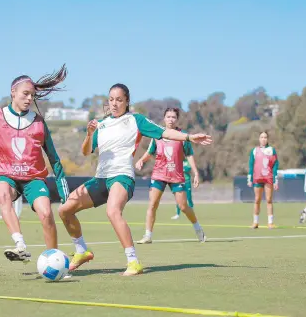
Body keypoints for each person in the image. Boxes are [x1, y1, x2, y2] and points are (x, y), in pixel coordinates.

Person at [58, 84, 212, 276]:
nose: (114, 104)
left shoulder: (135, 120)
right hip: (100, 178)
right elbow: (86, 151)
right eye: (111, 99)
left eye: (119, 100)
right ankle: (81, 251)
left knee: (113, 212)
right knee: (64, 210)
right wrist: (89, 134)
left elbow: (164, 132)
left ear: (127, 101)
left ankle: (133, 262)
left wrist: (188, 137)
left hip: (122, 176)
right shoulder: (102, 124)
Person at [0, 66, 69, 262]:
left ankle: (54, 259)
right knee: (2, 193)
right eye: (25, 94)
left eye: (32, 96)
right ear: (13, 92)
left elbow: (54, 158)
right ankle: (20, 246)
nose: (29, 99)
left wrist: (64, 191)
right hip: (5, 174)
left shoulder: (39, 123)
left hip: (33, 178)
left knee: (46, 213)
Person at [135, 108, 205, 244]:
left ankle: (198, 228)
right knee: (152, 204)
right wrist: (141, 160)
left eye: (173, 117)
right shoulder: (157, 135)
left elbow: (189, 155)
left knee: (183, 206)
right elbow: (150, 152)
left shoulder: (183, 136)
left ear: (177, 119)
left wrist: (195, 173)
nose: (171, 119)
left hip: (176, 175)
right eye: (168, 117)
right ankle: (148, 235)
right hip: (159, 174)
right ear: (164, 118)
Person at [247, 131, 279, 229]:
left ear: (268, 139)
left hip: (268, 178)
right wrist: (250, 178)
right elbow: (251, 165)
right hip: (257, 178)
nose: (263, 139)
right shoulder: (254, 150)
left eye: (265, 137)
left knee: (269, 200)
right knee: (257, 200)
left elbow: (275, 165)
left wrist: (275, 180)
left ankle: (270, 222)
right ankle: (255, 222)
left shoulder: (271, 150)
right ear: (259, 139)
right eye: (261, 137)